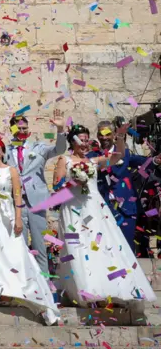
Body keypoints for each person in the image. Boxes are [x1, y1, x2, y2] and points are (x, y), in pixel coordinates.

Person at [53, 123, 155, 308]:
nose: (84, 144)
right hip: (74, 210)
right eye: (80, 140)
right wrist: (74, 182)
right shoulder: (64, 160)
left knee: (101, 248)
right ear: (72, 142)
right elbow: (56, 186)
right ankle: (85, 291)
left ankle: (109, 289)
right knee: (78, 250)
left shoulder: (94, 161)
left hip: (95, 208)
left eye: (86, 140)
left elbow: (118, 157)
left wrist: (121, 138)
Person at [0, 136, 59, 324]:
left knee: (14, 253)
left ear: (3, 151)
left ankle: (18, 290)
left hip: (8, 217)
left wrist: (18, 219)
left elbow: (17, 196)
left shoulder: (11, 171)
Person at [0, 111, 66, 272]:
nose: (22, 131)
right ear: (12, 130)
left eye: (25, 128)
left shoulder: (39, 148)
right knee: (20, 246)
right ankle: (27, 283)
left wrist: (60, 130)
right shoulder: (5, 152)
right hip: (14, 205)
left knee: (40, 245)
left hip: (36, 203)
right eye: (18, 128)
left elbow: (59, 149)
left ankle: (44, 284)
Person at [93, 118, 149, 251]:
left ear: (113, 135)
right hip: (101, 209)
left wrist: (156, 160)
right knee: (104, 250)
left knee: (127, 250)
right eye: (101, 134)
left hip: (126, 210)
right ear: (97, 136)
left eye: (107, 134)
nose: (104, 137)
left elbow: (145, 162)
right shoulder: (92, 155)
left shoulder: (126, 154)